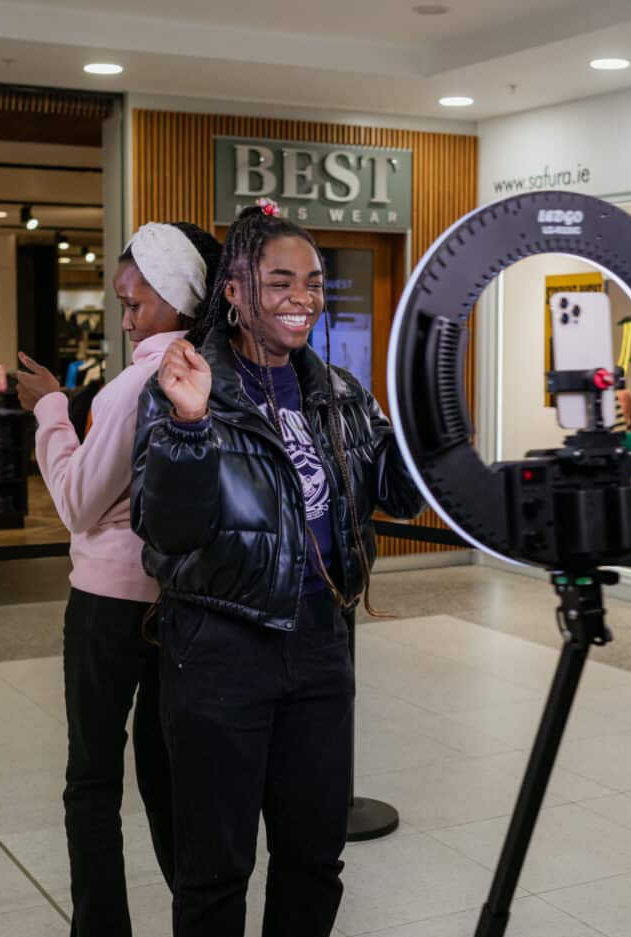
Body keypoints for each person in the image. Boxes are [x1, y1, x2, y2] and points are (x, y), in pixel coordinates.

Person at [130, 199, 423, 937]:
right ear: (234, 290)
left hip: (322, 646)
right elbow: (163, 529)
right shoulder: (186, 384)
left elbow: (398, 495)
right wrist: (192, 428)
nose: (304, 300)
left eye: (315, 283)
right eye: (282, 282)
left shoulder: (341, 394)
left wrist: (431, 425)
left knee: (313, 858)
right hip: (219, 650)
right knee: (214, 872)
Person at [15, 221, 222, 937]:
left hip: (108, 604)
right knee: (169, 781)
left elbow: (76, 501)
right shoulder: (213, 371)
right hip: (183, 603)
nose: (126, 315)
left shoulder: (139, 382)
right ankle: (202, 918)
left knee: (93, 779)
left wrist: (48, 408)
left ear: (175, 297)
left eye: (136, 301)